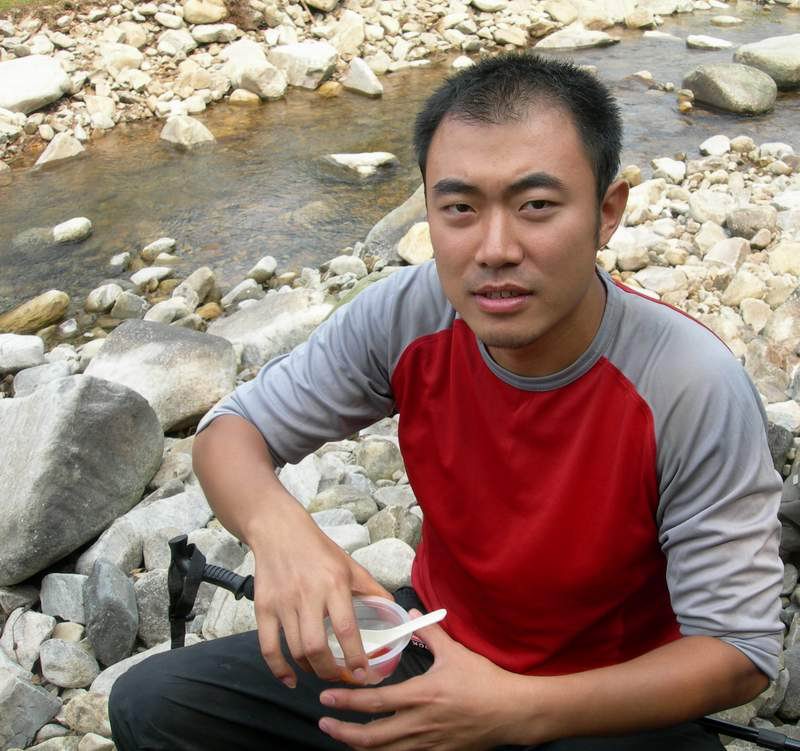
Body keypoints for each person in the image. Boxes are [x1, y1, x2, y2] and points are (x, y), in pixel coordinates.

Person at [109, 53, 783, 750]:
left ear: (606, 213)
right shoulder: (408, 316)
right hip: (436, 644)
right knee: (154, 704)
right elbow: (231, 431)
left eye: (536, 206)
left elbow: (737, 652)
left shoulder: (687, 381)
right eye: (460, 208)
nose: (494, 249)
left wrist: (517, 709)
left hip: (600, 703)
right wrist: (280, 531)